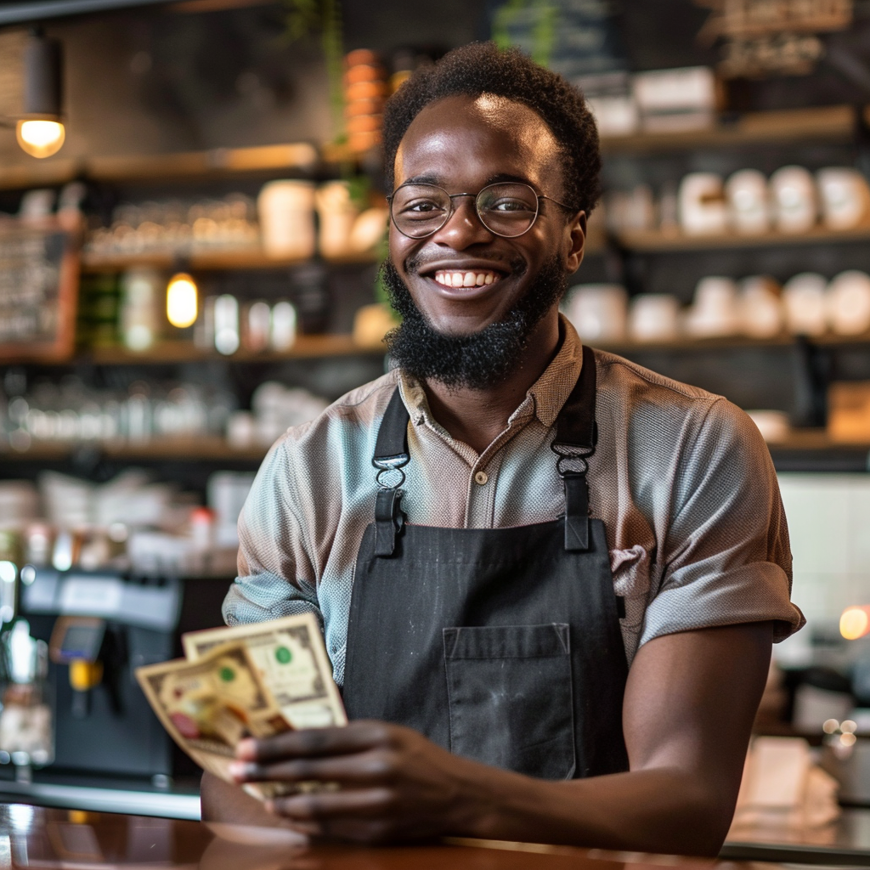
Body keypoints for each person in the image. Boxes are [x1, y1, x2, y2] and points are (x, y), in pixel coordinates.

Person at [201, 42, 804, 855]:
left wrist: (453, 798)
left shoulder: (695, 449)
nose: (456, 231)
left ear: (574, 236)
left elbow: (687, 798)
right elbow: (238, 779)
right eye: (422, 204)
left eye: (506, 202)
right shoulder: (307, 470)